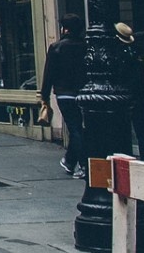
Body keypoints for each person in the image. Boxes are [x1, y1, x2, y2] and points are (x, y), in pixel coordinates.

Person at [40, 13, 87, 177]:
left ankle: (82, 164)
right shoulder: (85, 46)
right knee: (78, 128)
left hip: (64, 93)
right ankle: (70, 161)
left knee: (75, 129)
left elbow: (49, 74)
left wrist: (44, 95)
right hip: (83, 93)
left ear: (65, 29)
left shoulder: (56, 47)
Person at [116, 23, 144, 161]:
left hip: (123, 95)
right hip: (139, 94)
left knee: (122, 129)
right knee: (141, 130)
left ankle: (125, 157)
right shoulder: (140, 50)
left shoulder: (116, 52)